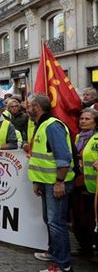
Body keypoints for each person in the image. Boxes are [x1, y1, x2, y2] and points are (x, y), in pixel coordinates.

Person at [27, 95, 74, 272]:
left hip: (56, 183)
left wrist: (60, 182)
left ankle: (63, 266)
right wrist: (38, 181)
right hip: (47, 183)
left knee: (57, 223)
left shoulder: (52, 125)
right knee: (50, 220)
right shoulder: (41, 125)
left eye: (30, 106)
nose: (27, 109)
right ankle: (54, 252)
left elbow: (63, 157)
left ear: (37, 107)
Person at [70, 108, 98, 257]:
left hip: (94, 186)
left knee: (92, 219)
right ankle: (85, 247)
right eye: (82, 119)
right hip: (79, 183)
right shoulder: (78, 137)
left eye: (87, 119)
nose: (83, 121)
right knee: (79, 218)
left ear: (95, 121)